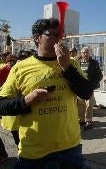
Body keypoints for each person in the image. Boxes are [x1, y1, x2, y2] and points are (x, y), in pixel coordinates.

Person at [0, 18, 93, 168]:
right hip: (35, 153)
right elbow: (2, 104)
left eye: (60, 35)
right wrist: (26, 101)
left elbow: (86, 93)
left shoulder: (71, 63)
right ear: (37, 38)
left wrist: (67, 67)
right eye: (53, 34)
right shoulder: (20, 68)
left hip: (70, 148)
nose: (58, 39)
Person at [78, 47, 103, 131]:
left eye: (86, 52)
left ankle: (88, 120)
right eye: (83, 52)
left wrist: (92, 85)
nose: (85, 54)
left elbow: (100, 76)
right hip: (80, 87)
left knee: (89, 104)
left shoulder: (94, 63)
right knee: (81, 104)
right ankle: (81, 120)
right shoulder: (78, 62)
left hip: (89, 87)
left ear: (89, 53)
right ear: (81, 54)